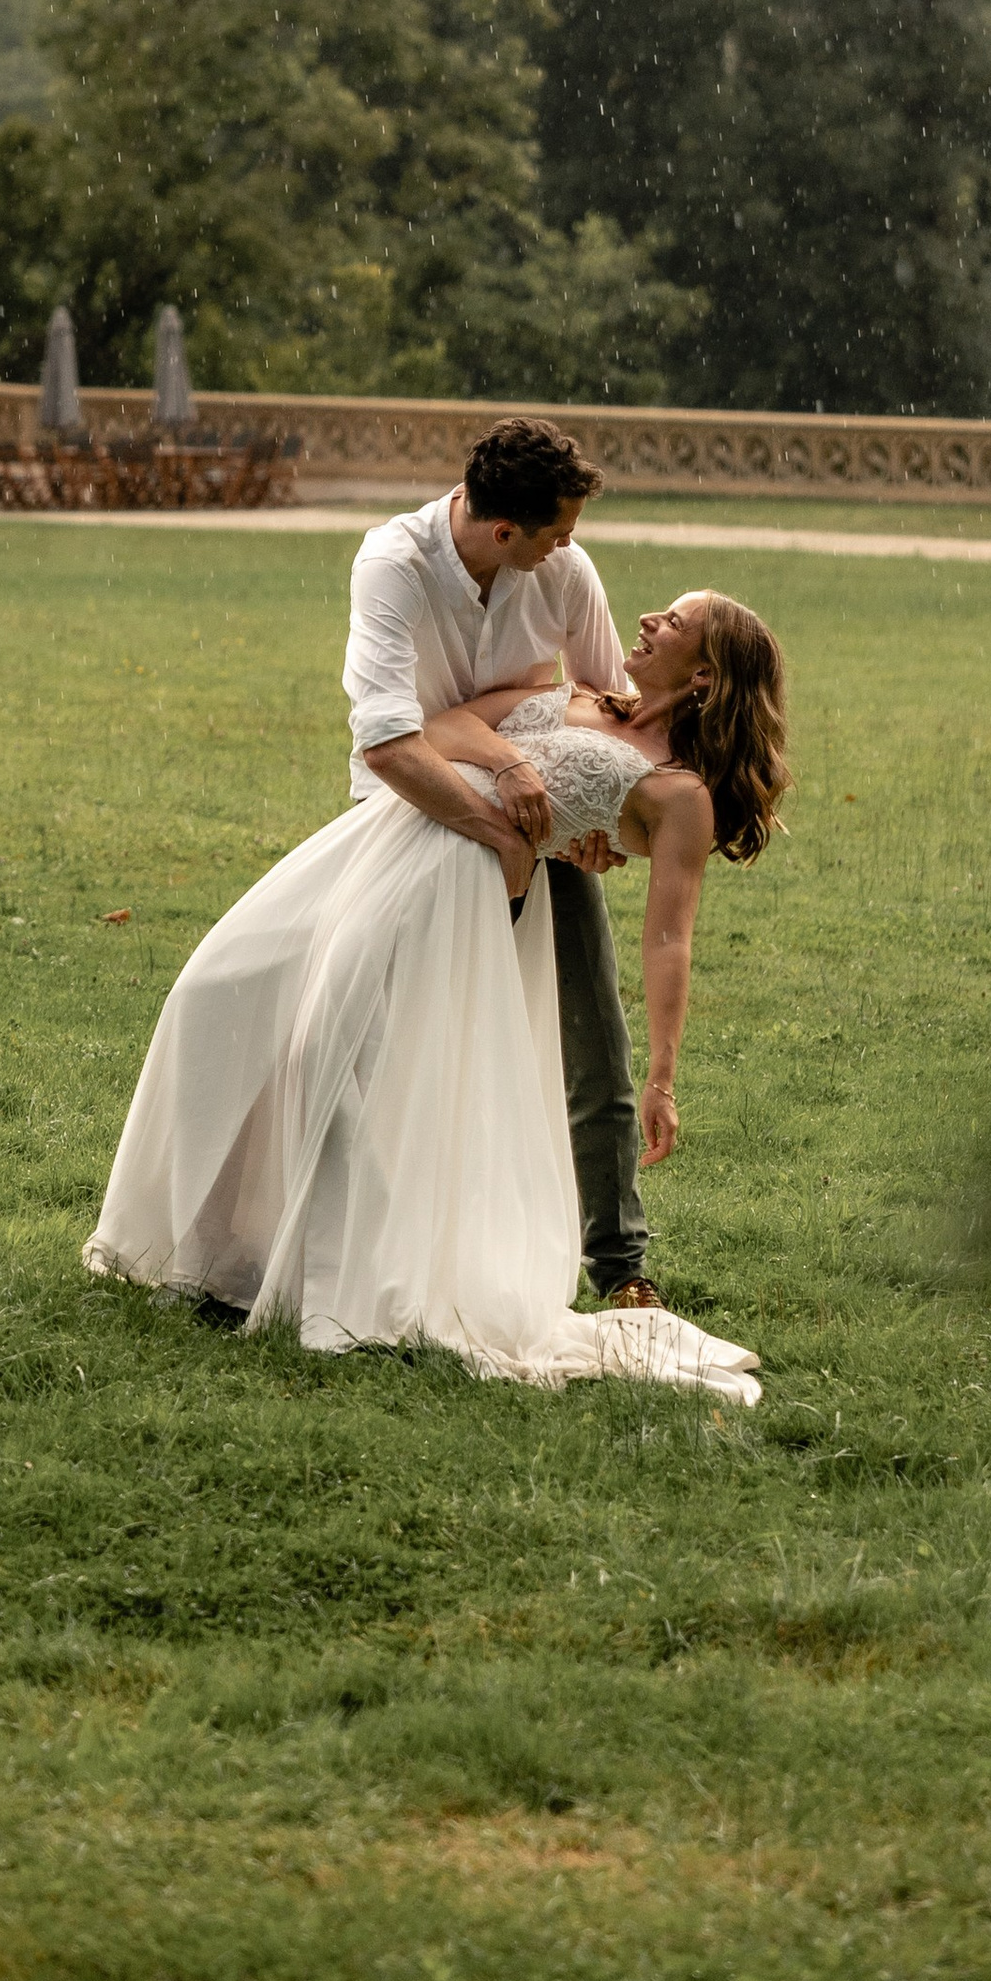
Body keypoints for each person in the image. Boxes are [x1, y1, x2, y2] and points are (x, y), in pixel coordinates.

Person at [81, 583, 791, 1397]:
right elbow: (448, 726)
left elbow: (669, 940)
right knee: (219, 990)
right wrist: (511, 763)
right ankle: (206, 1250)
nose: (647, 619)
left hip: (458, 894)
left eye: (675, 622)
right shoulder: (571, 692)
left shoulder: (681, 795)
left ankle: (319, 1280)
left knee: (338, 1053)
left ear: (705, 676)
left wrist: (663, 1075)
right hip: (381, 841)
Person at [340, 419, 655, 1308]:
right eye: (557, 529)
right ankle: (380, 1244)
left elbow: (607, 715)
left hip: (544, 827)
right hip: (422, 819)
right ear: (503, 530)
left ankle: (622, 1265)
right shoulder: (392, 566)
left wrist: (601, 827)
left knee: (592, 1036)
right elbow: (390, 747)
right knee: (390, 1036)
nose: (571, 544)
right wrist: (501, 822)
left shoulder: (566, 573)